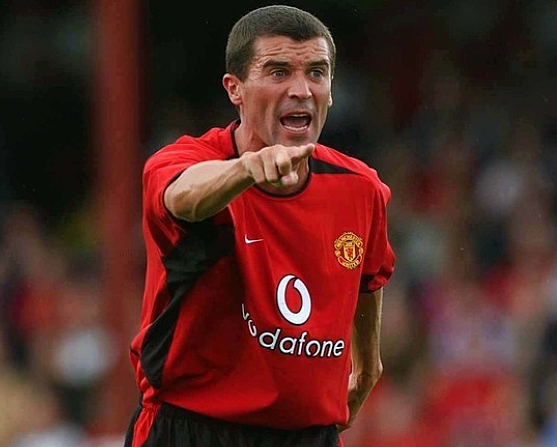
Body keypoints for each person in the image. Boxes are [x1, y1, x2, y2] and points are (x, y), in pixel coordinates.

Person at [124, 5, 395, 447]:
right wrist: (247, 170)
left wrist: (367, 364)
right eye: (278, 72)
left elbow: (371, 275)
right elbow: (182, 197)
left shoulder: (361, 189)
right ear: (235, 89)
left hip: (308, 437)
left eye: (316, 72)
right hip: (192, 428)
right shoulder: (190, 162)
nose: (302, 90)